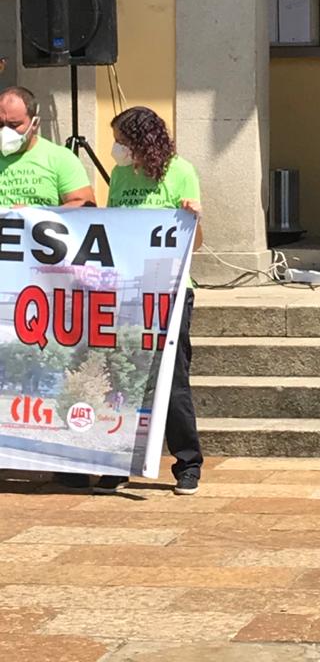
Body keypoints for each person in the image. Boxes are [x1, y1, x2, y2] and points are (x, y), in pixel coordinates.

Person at [92, 106, 204, 495]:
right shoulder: (121, 174)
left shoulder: (181, 171)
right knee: (122, 374)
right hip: (127, 288)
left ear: (143, 141)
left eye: (122, 141)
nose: (117, 149)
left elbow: (195, 243)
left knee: (172, 378)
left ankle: (188, 463)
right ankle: (118, 461)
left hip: (169, 288)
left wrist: (194, 217)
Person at [0, 85, 96, 490]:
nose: (6, 131)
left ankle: (65, 458)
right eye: (0, 124)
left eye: (14, 124)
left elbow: (85, 205)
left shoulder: (60, 159)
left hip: (46, 290)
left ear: (34, 122)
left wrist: (36, 214)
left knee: (53, 369)